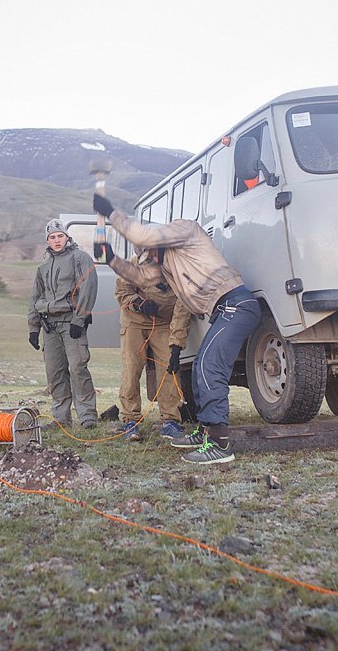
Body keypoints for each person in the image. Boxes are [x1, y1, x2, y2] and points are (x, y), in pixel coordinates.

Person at [93, 194, 260, 464]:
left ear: (156, 243)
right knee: (198, 369)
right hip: (221, 311)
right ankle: (204, 431)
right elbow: (139, 276)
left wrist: (111, 214)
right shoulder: (167, 266)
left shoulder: (186, 230)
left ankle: (219, 444)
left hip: (235, 303)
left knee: (209, 369)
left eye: (149, 256)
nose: (150, 263)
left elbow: (143, 237)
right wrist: (111, 258)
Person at [27, 218, 99, 429]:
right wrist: (33, 328)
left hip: (71, 323)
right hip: (49, 326)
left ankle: (87, 416)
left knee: (78, 368)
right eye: (52, 237)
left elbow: (89, 287)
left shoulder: (80, 258)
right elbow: (34, 298)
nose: (57, 240)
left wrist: (79, 319)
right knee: (55, 372)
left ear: (67, 237)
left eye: (60, 236)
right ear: (47, 240)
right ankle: (61, 418)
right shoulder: (43, 267)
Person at [115, 251, 190, 443]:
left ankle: (170, 420)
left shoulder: (181, 272)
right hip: (134, 321)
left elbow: (182, 312)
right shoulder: (133, 264)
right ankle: (129, 420)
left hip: (164, 323)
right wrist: (138, 303)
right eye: (153, 253)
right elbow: (122, 292)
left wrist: (176, 346)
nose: (156, 258)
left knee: (169, 368)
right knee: (131, 368)